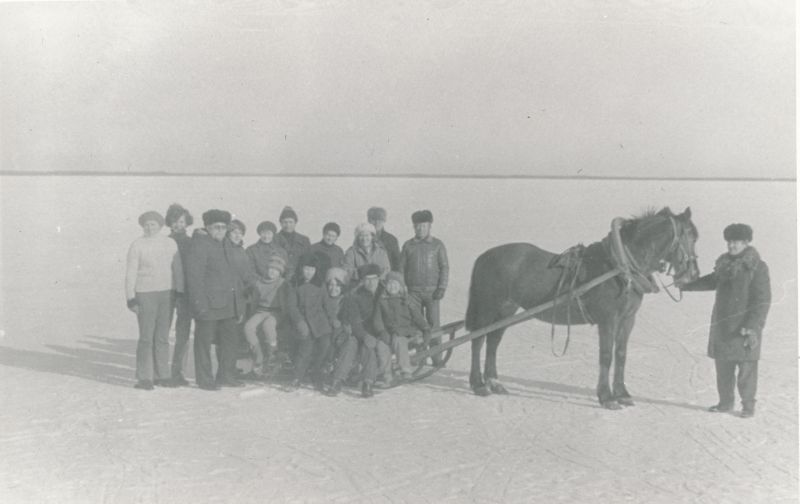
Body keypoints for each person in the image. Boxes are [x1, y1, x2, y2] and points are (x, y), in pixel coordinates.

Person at [682, 223, 771, 418]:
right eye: (730, 242)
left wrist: (752, 326)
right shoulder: (724, 265)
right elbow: (711, 281)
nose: (732, 246)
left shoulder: (757, 267)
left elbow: (762, 300)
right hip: (723, 326)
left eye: (737, 242)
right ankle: (725, 403)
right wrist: (688, 285)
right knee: (723, 368)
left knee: (746, 370)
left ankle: (748, 406)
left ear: (746, 242)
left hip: (745, 329)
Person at [186, 209, 246, 390]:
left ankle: (226, 376)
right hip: (208, 305)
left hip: (228, 304)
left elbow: (234, 275)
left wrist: (239, 304)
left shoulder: (227, 244)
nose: (220, 231)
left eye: (223, 227)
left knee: (230, 341)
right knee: (204, 344)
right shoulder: (200, 244)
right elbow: (194, 278)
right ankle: (205, 380)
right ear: (207, 227)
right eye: (216, 227)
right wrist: (199, 305)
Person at [125, 211, 184, 390]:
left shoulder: (170, 243)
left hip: (167, 294)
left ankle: (162, 375)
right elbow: (131, 273)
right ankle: (145, 377)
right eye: (147, 224)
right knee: (146, 337)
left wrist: (180, 292)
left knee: (162, 336)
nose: (150, 228)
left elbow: (178, 269)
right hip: (145, 294)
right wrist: (131, 298)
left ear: (160, 226)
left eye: (153, 224)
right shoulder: (137, 245)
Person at [399, 210, 449, 365]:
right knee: (417, 325)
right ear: (414, 227)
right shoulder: (408, 245)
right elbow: (401, 269)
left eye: (423, 226)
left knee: (434, 324)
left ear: (429, 226)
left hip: (432, 292)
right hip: (413, 292)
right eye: (417, 226)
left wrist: (441, 287)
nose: (420, 229)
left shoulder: (437, 245)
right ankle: (420, 357)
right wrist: (403, 287)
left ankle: (436, 357)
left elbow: (444, 267)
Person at [285, 253, 333, 390]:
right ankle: (296, 377)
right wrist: (300, 322)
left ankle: (316, 372)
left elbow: (326, 304)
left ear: (316, 270)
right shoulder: (295, 284)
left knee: (325, 345)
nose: (308, 273)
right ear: (301, 269)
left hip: (320, 323)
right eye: (306, 269)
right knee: (305, 350)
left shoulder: (320, 285)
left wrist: (332, 320)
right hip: (304, 323)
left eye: (312, 270)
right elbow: (292, 306)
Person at [373, 271, 431, 382]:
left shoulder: (407, 301)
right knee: (381, 345)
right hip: (388, 331)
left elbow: (417, 317)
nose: (392, 287)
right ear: (386, 286)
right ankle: (386, 373)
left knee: (398, 340)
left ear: (400, 286)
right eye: (390, 284)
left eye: (395, 284)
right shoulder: (382, 301)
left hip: (406, 331)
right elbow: (377, 320)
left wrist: (425, 328)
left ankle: (405, 370)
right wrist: (381, 331)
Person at [342, 263, 388, 398]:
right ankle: (368, 383)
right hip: (361, 332)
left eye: (374, 279)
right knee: (367, 348)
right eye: (367, 279)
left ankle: (368, 380)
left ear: (379, 279)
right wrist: (364, 335)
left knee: (370, 345)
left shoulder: (385, 292)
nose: (371, 282)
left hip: (380, 331)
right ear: (362, 281)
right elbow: (355, 321)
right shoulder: (355, 296)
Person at [244, 256, 288, 376]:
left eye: (276, 270)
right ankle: (259, 355)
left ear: (280, 272)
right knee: (248, 327)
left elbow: (285, 302)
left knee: (268, 325)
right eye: (270, 269)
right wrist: (253, 314)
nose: (272, 272)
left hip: (275, 312)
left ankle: (272, 353)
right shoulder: (259, 282)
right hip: (260, 311)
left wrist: (284, 317)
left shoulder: (282, 283)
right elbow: (255, 301)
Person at [165, 203, 194, 386]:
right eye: (175, 221)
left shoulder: (192, 243)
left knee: (183, 333)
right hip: (167, 291)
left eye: (182, 221)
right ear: (170, 223)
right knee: (162, 331)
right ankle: (159, 370)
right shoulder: (164, 242)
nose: (178, 225)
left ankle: (178, 372)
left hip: (185, 293)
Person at [274, 206, 311, 282]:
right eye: (285, 222)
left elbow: (308, 262)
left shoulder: (304, 240)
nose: (288, 225)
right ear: (280, 223)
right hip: (279, 281)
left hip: (299, 280)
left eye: (290, 222)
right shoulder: (274, 239)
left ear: (295, 223)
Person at [368, 207, 401, 271]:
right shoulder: (362, 238)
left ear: (384, 221)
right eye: (373, 219)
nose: (376, 223)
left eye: (380, 220)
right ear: (369, 221)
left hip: (387, 277)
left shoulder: (391, 240)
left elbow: (397, 264)